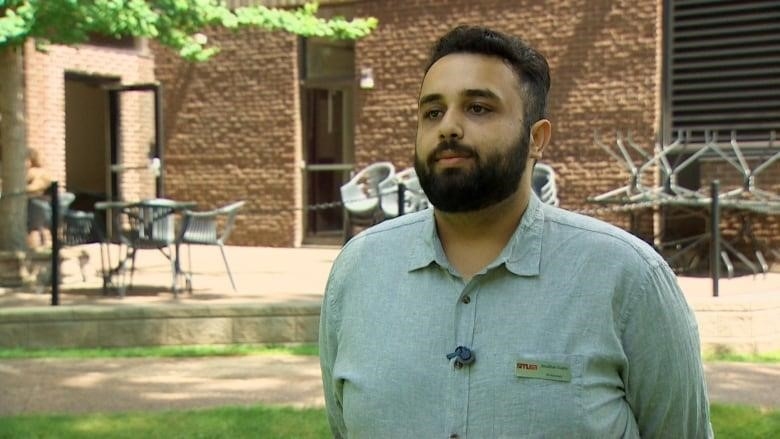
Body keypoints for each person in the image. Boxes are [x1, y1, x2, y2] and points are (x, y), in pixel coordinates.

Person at [319, 25, 712, 438]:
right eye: (432, 112)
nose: (448, 126)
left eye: (478, 108)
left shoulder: (628, 278)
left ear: (536, 138)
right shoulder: (358, 271)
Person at [26, 148, 53, 248]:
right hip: (40, 205)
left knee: (35, 227)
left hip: (38, 206)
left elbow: (35, 187)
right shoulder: (34, 172)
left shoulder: (36, 172)